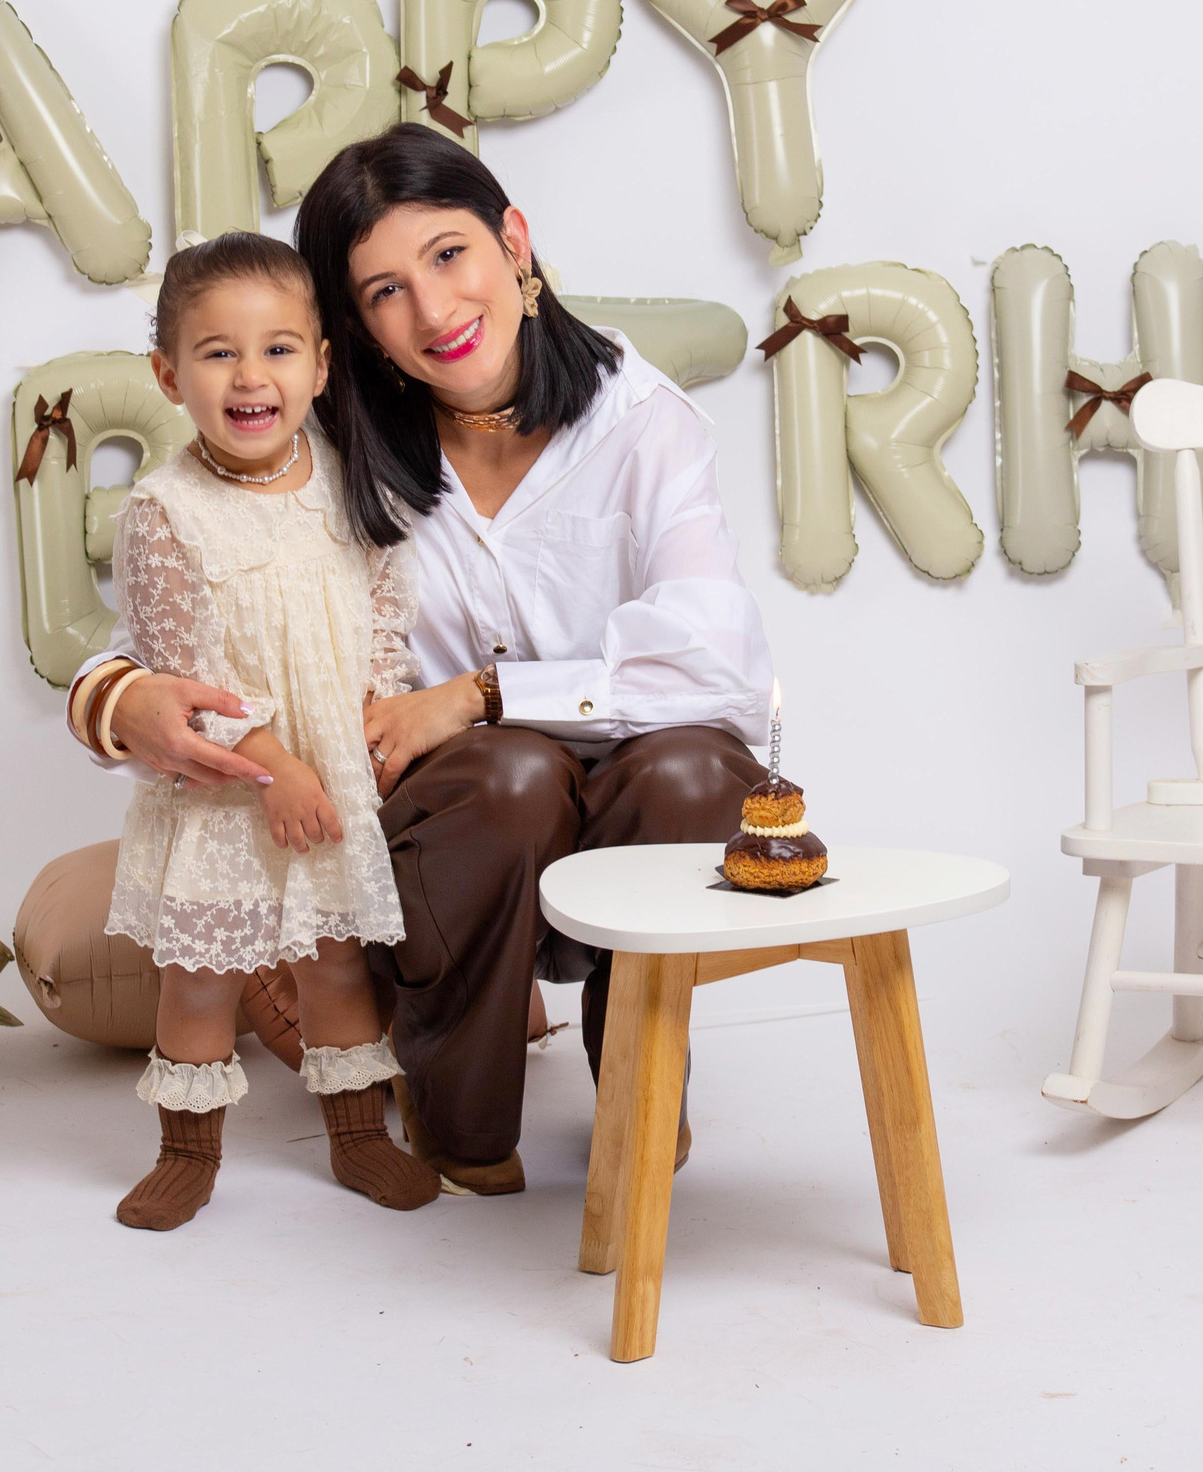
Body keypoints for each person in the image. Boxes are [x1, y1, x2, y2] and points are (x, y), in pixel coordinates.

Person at [78, 124, 772, 1197]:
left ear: (514, 242)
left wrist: (482, 695)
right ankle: (460, 1111)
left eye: (449, 255)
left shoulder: (647, 427)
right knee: (510, 775)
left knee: (681, 765)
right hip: (458, 830)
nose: (436, 311)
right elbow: (159, 634)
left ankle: (643, 1078)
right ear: (349, 328)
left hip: (650, 804)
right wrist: (123, 703)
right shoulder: (334, 451)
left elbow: (717, 670)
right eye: (384, 290)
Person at [69, 230, 439, 1228]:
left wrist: (369, 727)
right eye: (218, 352)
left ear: (320, 365)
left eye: (279, 348)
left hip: (331, 779)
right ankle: (186, 1152)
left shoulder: (341, 479)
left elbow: (380, 613)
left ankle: (359, 1135)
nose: (250, 375)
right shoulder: (163, 510)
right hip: (234, 786)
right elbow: (184, 678)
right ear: (168, 373)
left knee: (333, 965)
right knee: (200, 981)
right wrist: (275, 771)